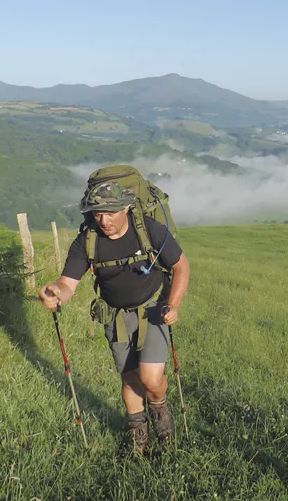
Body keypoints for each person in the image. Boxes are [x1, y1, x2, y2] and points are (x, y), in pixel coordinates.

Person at [38, 180, 190, 454]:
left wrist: (173, 305)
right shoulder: (87, 241)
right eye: (98, 214)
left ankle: (160, 415)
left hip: (153, 310)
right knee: (131, 379)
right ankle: (138, 437)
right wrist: (55, 293)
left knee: (151, 379)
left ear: (126, 208)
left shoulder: (149, 230)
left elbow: (181, 266)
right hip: (115, 316)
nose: (104, 221)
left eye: (110, 213)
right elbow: (67, 284)